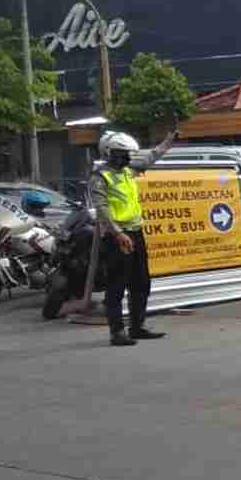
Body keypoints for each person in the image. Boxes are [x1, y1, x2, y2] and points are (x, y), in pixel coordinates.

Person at [89, 128, 178, 346]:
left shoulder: (128, 170)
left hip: (136, 232)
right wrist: (118, 233)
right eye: (124, 154)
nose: (128, 158)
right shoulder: (100, 177)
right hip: (116, 236)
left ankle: (137, 327)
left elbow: (150, 158)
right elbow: (101, 208)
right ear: (109, 153)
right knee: (117, 285)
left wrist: (167, 142)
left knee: (141, 282)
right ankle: (117, 332)